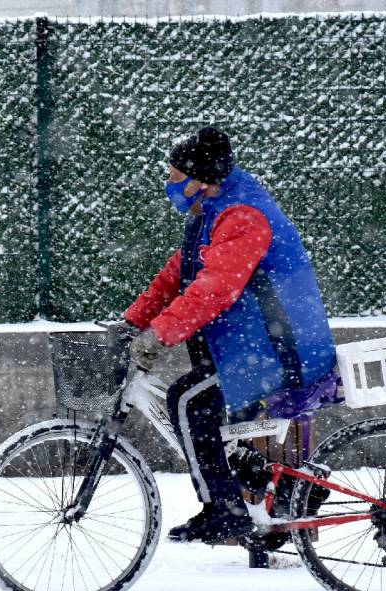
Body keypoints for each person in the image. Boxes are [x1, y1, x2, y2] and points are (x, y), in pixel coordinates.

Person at [123, 126, 336, 544]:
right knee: (205, 414)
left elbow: (214, 287)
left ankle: (225, 509)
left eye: (173, 176)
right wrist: (133, 322)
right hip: (252, 345)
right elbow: (179, 276)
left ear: (199, 179)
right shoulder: (215, 210)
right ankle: (282, 491)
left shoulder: (242, 216)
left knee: (187, 400)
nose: (168, 184)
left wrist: (159, 334)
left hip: (281, 348)